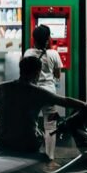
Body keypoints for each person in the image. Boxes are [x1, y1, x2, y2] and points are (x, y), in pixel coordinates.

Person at [0, 55, 87, 154]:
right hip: (28, 145)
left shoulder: (2, 88)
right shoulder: (38, 92)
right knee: (43, 135)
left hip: (5, 143)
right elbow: (65, 101)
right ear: (37, 73)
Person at [23, 24, 64, 160]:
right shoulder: (54, 54)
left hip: (32, 92)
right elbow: (58, 75)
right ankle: (50, 156)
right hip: (49, 94)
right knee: (51, 125)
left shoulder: (28, 53)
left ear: (34, 39)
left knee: (31, 123)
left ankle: (31, 153)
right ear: (48, 39)